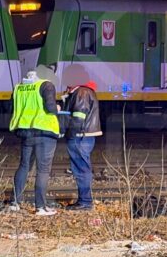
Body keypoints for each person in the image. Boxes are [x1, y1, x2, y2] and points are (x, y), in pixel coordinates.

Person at [9, 65, 62, 216]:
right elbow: (50, 108)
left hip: (26, 132)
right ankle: (40, 207)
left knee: (24, 166)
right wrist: (58, 108)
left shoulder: (19, 88)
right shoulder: (46, 85)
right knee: (43, 169)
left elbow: (11, 106)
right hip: (44, 132)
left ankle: (15, 203)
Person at [63, 78, 101, 210]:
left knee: (81, 169)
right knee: (82, 167)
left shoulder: (81, 93)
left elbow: (78, 117)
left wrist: (69, 133)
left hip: (80, 135)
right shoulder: (83, 91)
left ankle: (85, 202)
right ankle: (84, 201)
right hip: (84, 135)